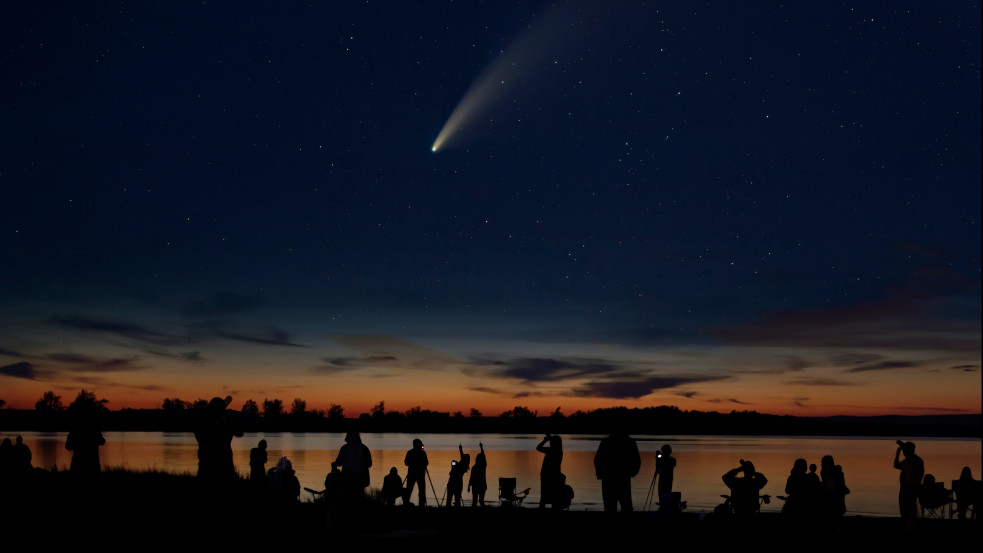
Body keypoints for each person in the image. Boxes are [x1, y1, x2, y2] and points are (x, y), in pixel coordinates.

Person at [193, 396, 242, 481]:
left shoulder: (202, 425)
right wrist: (227, 418)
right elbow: (239, 432)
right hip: (224, 468)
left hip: (205, 468)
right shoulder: (225, 425)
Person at [594, 431, 641, 512]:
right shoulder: (629, 442)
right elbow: (636, 460)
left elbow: (597, 460)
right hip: (621, 478)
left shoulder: (606, 442)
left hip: (610, 479)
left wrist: (601, 474)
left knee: (611, 506)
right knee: (625, 506)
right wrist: (632, 472)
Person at [894, 441, 924, 530]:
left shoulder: (912, 461)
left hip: (909, 489)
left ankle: (909, 527)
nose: (904, 453)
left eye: (904, 451)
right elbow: (896, 465)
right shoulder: (913, 460)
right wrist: (898, 452)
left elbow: (896, 465)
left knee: (908, 510)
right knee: (907, 510)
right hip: (907, 488)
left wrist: (899, 452)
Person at [536, 434, 563, 508]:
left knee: (543, 496)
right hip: (555, 475)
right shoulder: (559, 450)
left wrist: (545, 440)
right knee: (554, 496)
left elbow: (538, 448)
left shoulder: (551, 450)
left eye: (551, 441)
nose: (550, 442)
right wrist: (550, 439)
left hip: (546, 475)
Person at [403, 438, 429, 506]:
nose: (421, 445)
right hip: (419, 474)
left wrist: (412, 464)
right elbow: (426, 463)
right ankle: (421, 504)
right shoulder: (422, 453)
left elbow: (406, 463)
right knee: (420, 489)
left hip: (412, 474)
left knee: (410, 489)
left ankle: (406, 502)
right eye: (420, 444)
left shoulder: (410, 452)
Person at [654, 444, 677, 510]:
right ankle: (664, 507)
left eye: (663, 451)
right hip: (666, 478)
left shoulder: (672, 460)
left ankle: (664, 507)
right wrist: (657, 459)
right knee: (663, 493)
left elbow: (660, 466)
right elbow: (658, 467)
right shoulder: (672, 459)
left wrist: (658, 458)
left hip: (665, 479)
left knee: (664, 493)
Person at [468, 442, 488, 507]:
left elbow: (471, 477)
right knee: (481, 500)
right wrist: (481, 447)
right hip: (482, 485)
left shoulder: (474, 467)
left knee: (474, 501)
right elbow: (484, 456)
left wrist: (469, 486)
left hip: (475, 485)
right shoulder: (483, 466)